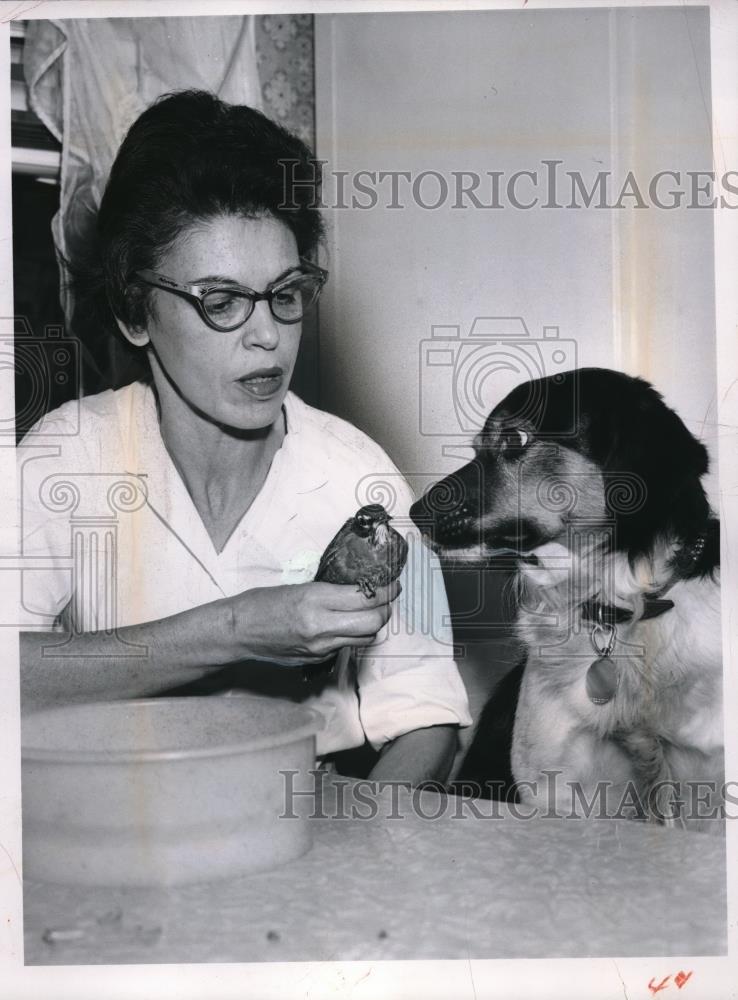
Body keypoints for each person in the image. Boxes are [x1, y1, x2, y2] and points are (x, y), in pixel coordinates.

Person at [17, 90, 471, 784]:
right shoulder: (67, 456)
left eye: (285, 294)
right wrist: (235, 628)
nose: (266, 336)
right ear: (136, 314)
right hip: (123, 817)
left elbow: (425, 718)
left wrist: (356, 870)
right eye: (220, 301)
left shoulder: (358, 476)